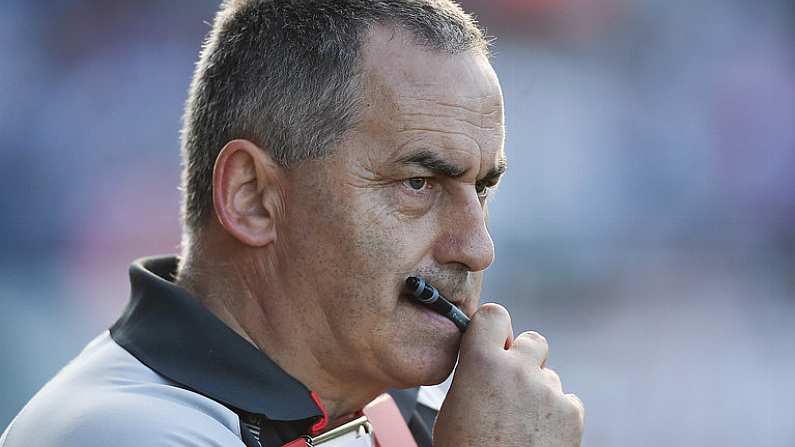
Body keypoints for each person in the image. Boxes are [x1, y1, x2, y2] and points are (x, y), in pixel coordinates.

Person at [1, 0, 584, 445]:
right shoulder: (126, 432)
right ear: (252, 198)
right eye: (418, 183)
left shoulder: (423, 415)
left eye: (481, 189)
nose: (477, 247)